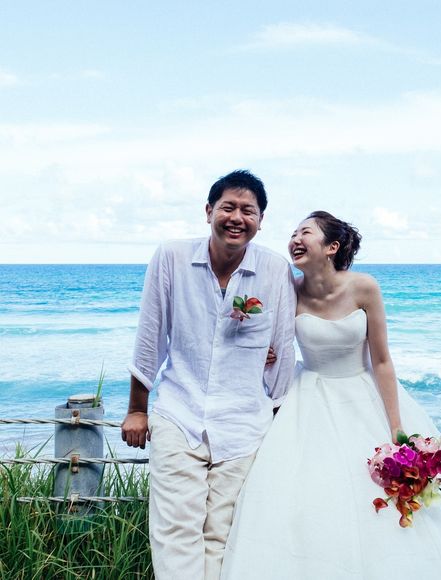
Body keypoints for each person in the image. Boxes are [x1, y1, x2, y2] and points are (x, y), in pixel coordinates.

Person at [221, 211, 441, 579]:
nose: (295, 239)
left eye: (305, 232)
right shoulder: (289, 291)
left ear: (331, 247)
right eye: (293, 233)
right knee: (311, 495)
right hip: (308, 398)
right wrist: (264, 351)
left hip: (363, 397)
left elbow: (382, 361)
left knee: (380, 497)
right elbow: (273, 339)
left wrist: (396, 427)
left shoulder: (364, 287)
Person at [120, 170, 296, 580]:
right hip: (179, 414)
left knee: (225, 535)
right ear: (208, 211)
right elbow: (150, 335)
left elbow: (283, 349)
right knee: (175, 532)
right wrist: (137, 410)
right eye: (228, 207)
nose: (237, 218)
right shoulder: (172, 257)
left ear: (260, 220)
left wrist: (279, 421)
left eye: (248, 211)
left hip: (245, 425)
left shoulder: (274, 269)